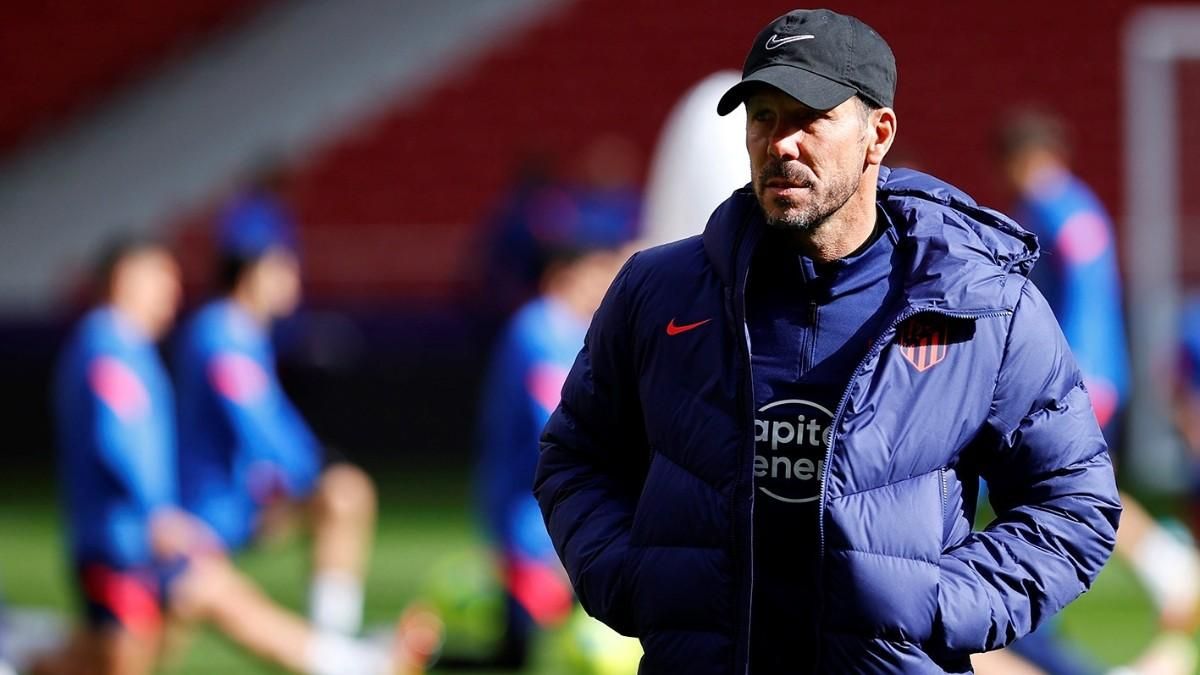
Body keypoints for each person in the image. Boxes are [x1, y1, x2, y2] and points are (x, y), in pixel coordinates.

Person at [534, 9, 1121, 674]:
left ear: (879, 133)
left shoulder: (982, 305)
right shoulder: (658, 291)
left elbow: (1072, 500)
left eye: (809, 116)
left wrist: (942, 604)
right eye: (763, 116)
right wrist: (627, 578)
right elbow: (575, 454)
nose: (780, 142)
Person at [44, 236, 436, 675]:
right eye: (161, 278)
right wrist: (158, 515)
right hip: (140, 540)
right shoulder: (119, 345)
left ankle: (348, 659)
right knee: (132, 646)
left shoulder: (130, 345)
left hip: (151, 534)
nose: (172, 293)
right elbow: (120, 439)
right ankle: (349, 659)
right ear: (125, 279)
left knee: (138, 639)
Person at [996, 110, 1199, 675]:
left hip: (1075, 384)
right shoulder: (1063, 206)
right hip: (1079, 380)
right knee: (1057, 491)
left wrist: (1073, 377)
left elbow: (1084, 293)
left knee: (1056, 492)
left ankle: (1162, 562)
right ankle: (1159, 564)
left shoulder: (1059, 210)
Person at [173, 212, 379, 640]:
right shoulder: (221, 331)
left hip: (240, 501)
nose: (294, 277)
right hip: (208, 512)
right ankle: (336, 653)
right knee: (343, 493)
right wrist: (310, 469)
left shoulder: (241, 331)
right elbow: (256, 421)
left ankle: (334, 643)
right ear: (254, 271)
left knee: (343, 495)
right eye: (284, 265)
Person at [475, 221, 630, 667]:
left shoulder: (575, 331)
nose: (608, 282)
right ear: (565, 273)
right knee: (538, 644)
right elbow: (556, 424)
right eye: (600, 270)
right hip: (533, 522)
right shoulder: (537, 330)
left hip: (554, 516)